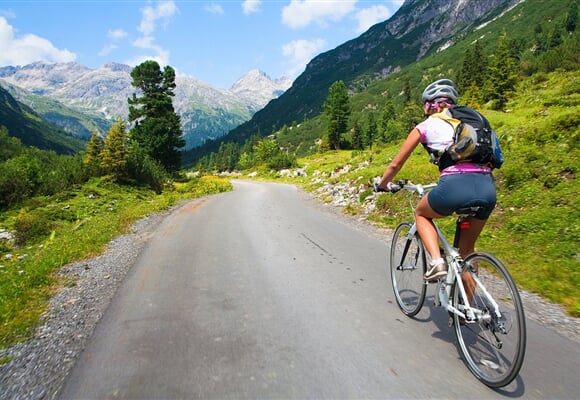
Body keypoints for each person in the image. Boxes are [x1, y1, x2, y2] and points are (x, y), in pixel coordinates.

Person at [376, 79, 497, 282]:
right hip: (487, 187)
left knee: (421, 214)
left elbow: (395, 165)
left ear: (429, 104)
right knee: (467, 252)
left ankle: (436, 262)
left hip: (454, 187)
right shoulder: (474, 121)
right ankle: (469, 312)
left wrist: (382, 184)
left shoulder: (426, 126)